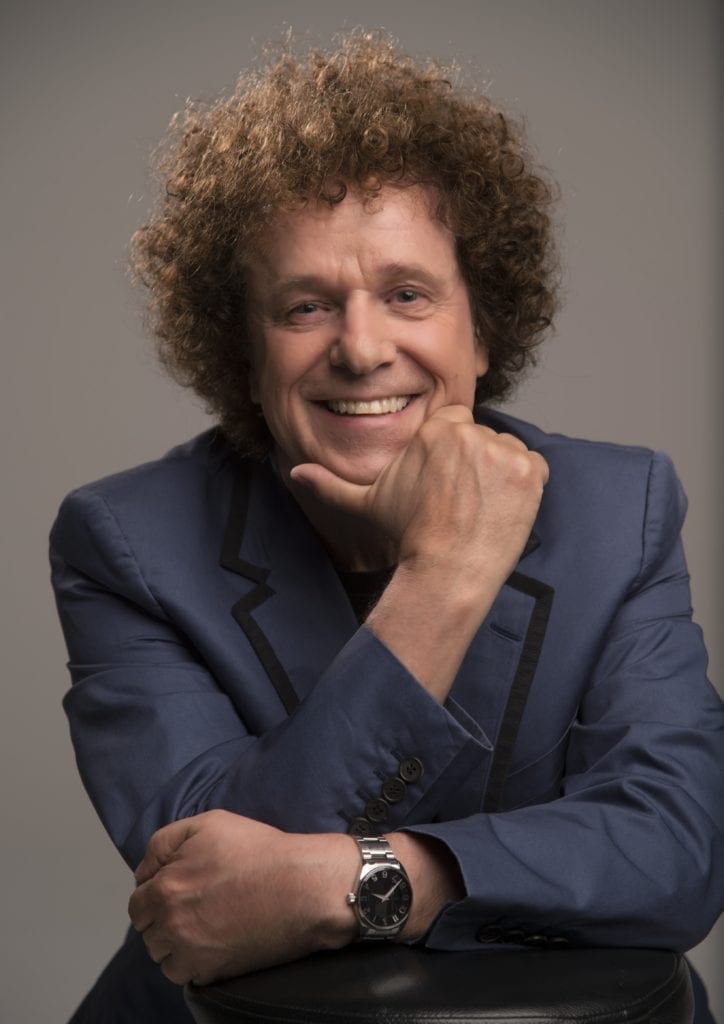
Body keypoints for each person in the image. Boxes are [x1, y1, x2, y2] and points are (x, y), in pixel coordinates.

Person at [50, 31, 723, 1024]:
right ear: (243, 354)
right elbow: (210, 892)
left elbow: (675, 852)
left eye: (407, 295)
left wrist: (375, 880)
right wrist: (444, 575)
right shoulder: (125, 542)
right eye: (304, 307)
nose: (362, 349)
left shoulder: (618, 509)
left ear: (481, 329)